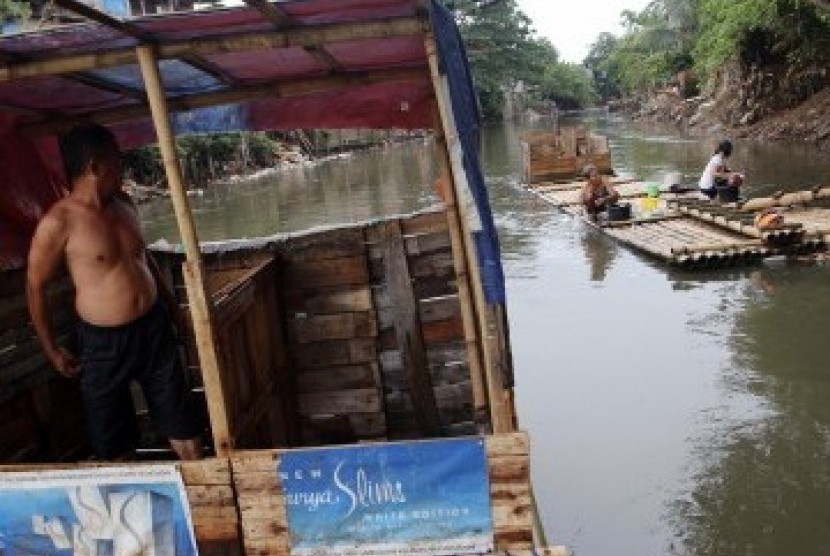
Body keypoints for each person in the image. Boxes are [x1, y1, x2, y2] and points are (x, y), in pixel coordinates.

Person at [26, 124, 202, 461]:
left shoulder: (123, 203)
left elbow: (143, 256)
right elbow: (35, 286)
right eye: (116, 161)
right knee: (112, 442)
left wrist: (172, 307)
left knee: (183, 425)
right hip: (102, 345)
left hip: (154, 329)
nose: (122, 167)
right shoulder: (58, 222)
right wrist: (52, 350)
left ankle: (204, 505)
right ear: (94, 166)